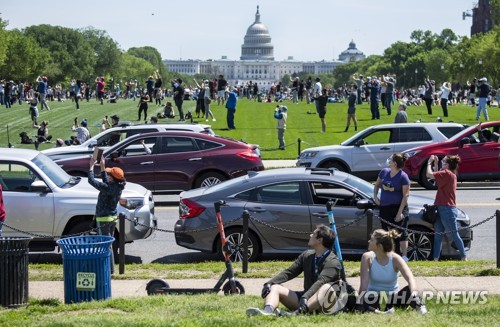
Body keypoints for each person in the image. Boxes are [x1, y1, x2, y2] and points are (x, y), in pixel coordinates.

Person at [246, 225, 340, 316]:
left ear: (320, 240)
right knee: (275, 287)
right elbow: (290, 272)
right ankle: (267, 312)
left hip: (326, 304)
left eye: (313, 234)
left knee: (327, 287)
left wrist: (305, 297)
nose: (310, 235)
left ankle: (295, 314)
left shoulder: (333, 261)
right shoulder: (307, 255)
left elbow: (320, 282)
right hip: (306, 299)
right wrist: (269, 283)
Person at [358, 229, 427, 314]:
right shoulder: (367, 257)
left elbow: (410, 279)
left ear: (379, 246)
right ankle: (381, 313)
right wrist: (360, 302)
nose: (369, 241)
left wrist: (414, 295)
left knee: (409, 290)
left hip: (393, 299)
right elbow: (364, 284)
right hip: (373, 297)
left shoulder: (395, 258)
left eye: (372, 240)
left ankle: (420, 307)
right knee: (359, 300)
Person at [88, 156, 126, 274]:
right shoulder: (116, 186)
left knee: (106, 245)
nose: (107, 175)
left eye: (109, 174)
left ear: (112, 179)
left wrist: (91, 166)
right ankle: (109, 269)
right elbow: (105, 180)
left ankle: (109, 270)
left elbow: (91, 181)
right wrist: (102, 165)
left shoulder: (108, 188)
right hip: (112, 218)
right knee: (108, 243)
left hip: (104, 219)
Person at [426, 154, 467, 261]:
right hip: (442, 207)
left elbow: (429, 175)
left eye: (443, 162)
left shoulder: (446, 174)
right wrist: (435, 164)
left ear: (448, 165)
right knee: (438, 235)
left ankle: (464, 257)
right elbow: (436, 179)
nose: (442, 163)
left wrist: (429, 162)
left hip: (446, 208)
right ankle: (435, 259)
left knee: (454, 234)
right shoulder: (449, 174)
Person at [373, 153, 410, 262]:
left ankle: (404, 256)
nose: (388, 160)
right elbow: (377, 185)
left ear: (394, 163)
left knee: (401, 233)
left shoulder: (403, 176)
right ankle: (387, 253)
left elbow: (406, 195)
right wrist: (375, 197)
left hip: (398, 207)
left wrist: (399, 213)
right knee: (385, 232)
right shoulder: (384, 172)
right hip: (385, 207)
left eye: (391, 159)